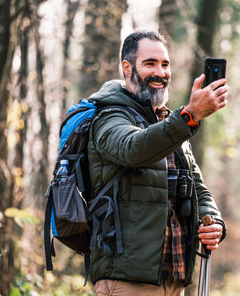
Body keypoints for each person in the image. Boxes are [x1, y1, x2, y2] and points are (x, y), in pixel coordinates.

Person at [87, 29, 228, 296]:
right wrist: (190, 115)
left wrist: (215, 223)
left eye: (165, 64)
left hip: (174, 280)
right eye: (150, 63)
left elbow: (198, 190)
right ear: (127, 68)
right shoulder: (109, 117)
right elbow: (134, 149)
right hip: (128, 281)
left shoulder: (169, 123)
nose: (160, 72)